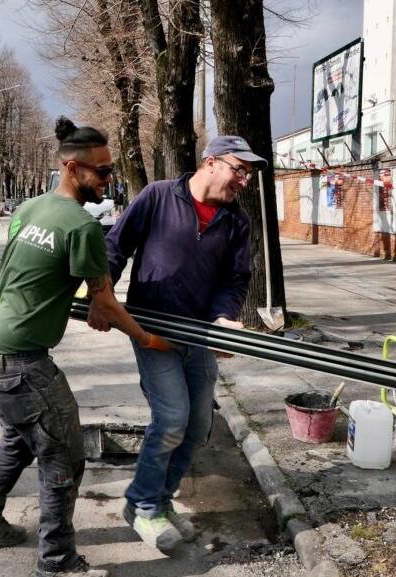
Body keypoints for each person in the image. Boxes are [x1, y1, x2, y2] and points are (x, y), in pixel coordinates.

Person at [0, 117, 172, 577]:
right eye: (102, 171)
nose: (109, 179)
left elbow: (46, 275)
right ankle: (57, 562)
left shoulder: (29, 209)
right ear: (73, 169)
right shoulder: (81, 226)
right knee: (64, 456)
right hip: (23, 362)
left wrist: (90, 300)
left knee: (18, 442)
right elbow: (105, 301)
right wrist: (148, 338)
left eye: (110, 170)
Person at [91, 135, 260, 551]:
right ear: (211, 162)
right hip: (152, 330)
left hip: (200, 335)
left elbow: (236, 278)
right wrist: (99, 295)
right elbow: (115, 247)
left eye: (249, 174)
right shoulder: (158, 196)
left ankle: (160, 503)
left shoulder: (237, 221)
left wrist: (224, 317)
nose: (244, 181)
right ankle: (143, 505)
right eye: (239, 169)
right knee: (170, 419)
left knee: (198, 425)